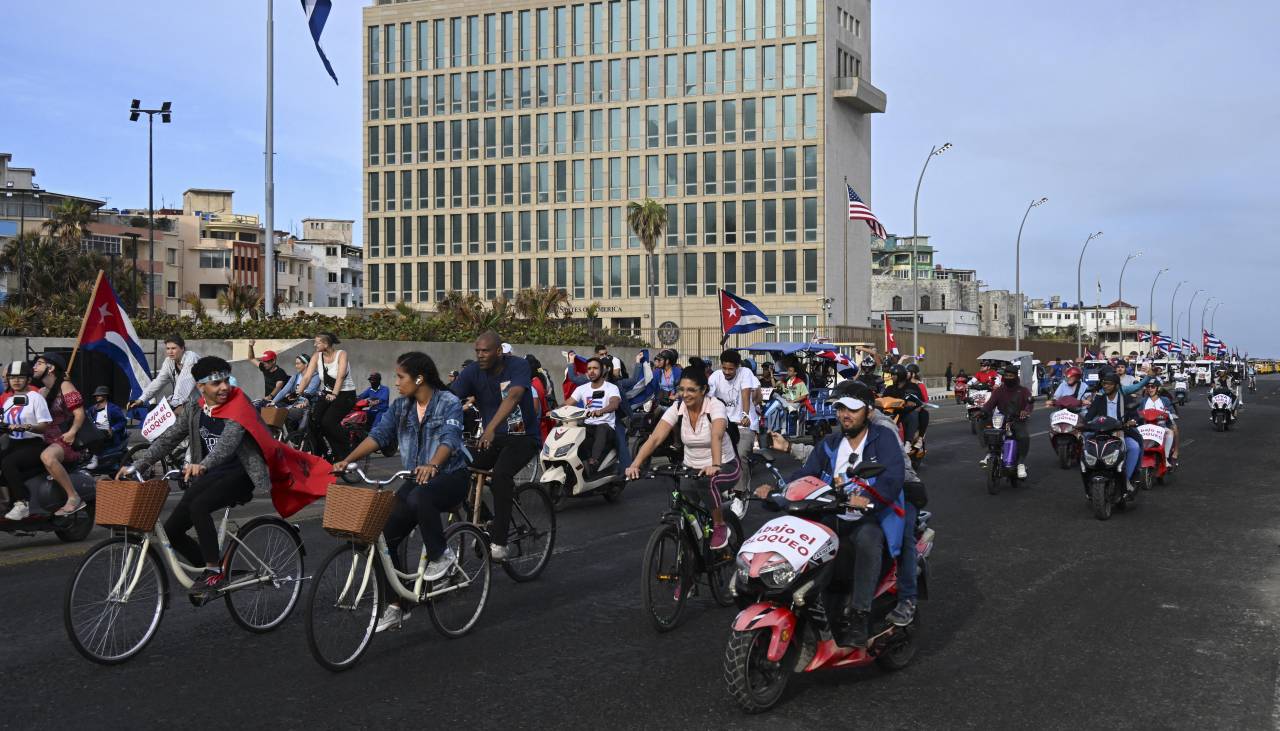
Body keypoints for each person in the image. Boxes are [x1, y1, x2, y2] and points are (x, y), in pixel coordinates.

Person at [757, 380, 906, 647]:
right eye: (839, 408)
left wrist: (867, 499)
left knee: (868, 539)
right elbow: (805, 475)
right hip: (832, 514)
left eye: (852, 409)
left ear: (868, 411)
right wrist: (778, 493)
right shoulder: (830, 443)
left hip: (868, 517)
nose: (844, 415)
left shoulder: (882, 439)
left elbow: (893, 478)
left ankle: (860, 615)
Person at [334, 352, 469, 632]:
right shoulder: (400, 407)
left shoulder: (449, 403)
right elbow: (379, 435)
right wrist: (349, 459)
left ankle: (442, 555)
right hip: (415, 477)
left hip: (450, 477)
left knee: (421, 497)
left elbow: (450, 439)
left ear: (419, 378)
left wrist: (433, 464)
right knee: (381, 535)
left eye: (400, 377)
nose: (395, 382)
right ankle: (397, 604)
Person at [120, 357, 269, 593]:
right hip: (211, 474)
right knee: (171, 532)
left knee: (199, 506)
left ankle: (213, 571)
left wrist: (203, 464)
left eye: (225, 381)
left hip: (240, 474)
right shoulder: (194, 408)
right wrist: (139, 463)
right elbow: (170, 438)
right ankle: (214, 569)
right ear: (201, 387)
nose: (224, 388)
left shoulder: (240, 405)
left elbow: (227, 444)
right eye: (216, 383)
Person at [449, 331, 541, 561]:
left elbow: (514, 396)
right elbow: (450, 397)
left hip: (523, 437)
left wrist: (490, 428)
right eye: (477, 351)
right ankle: (487, 521)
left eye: (485, 351)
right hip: (494, 438)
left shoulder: (518, 366)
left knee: (501, 475)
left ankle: (500, 541)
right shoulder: (473, 372)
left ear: (499, 351)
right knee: (456, 468)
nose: (480, 355)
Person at [626, 367, 740, 550]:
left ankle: (720, 526)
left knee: (707, 483)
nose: (685, 395)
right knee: (681, 504)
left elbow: (717, 435)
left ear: (703, 390)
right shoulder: (678, 407)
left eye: (691, 390)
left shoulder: (715, 405)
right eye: (681, 389)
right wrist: (635, 464)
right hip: (691, 467)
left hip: (725, 465)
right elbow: (655, 438)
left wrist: (715, 465)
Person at [32, 353, 87, 515]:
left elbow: (79, 413)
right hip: (44, 438)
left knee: (47, 457)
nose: (35, 366)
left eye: (39, 363)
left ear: (51, 368)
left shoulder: (65, 386)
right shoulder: (41, 391)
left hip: (64, 438)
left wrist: (72, 432)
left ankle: (73, 497)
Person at [1, 362, 53, 521]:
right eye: (12, 377)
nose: (16, 381)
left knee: (8, 463)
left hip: (34, 444)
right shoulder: (10, 400)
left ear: (28, 379)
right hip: (13, 444)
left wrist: (26, 427)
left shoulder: (35, 398)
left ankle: (22, 504)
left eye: (20, 377)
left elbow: (44, 426)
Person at [296, 332, 358, 459]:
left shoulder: (341, 354)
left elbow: (340, 376)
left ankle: (346, 446)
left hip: (345, 394)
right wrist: (296, 393)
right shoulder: (317, 356)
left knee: (328, 422)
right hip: (328, 393)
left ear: (326, 344)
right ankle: (322, 453)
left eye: (317, 342)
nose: (314, 344)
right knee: (314, 422)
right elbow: (307, 376)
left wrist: (334, 394)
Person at [708, 349, 761, 496]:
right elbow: (708, 397)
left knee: (741, 454)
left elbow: (745, 394)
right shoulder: (715, 377)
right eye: (724, 368)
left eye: (731, 369)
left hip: (744, 424)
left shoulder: (745, 373)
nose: (727, 372)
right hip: (724, 424)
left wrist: (745, 414)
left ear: (737, 367)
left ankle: (740, 494)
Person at [1084, 371, 1141, 492]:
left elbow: (1135, 416)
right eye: (1104, 383)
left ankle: (1127, 480)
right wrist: (1083, 423)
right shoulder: (1099, 399)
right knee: (1086, 444)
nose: (1106, 386)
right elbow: (1089, 416)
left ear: (1116, 385)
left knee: (1135, 447)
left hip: (1122, 431)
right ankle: (1089, 476)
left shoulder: (1125, 398)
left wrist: (1131, 422)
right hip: (1102, 433)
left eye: (1109, 384)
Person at [570, 357, 622, 476]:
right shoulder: (582, 388)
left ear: (603, 370)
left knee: (602, 428)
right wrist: (554, 411)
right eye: (589, 369)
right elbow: (568, 402)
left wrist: (602, 411)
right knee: (574, 430)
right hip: (588, 426)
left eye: (595, 368)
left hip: (607, 428)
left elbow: (614, 403)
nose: (591, 371)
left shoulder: (611, 388)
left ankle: (594, 462)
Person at [979, 364, 1034, 477]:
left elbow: (1029, 404)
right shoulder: (999, 391)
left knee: (1023, 437)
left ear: (1016, 377)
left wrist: (1025, 411)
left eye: (1011, 375)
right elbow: (990, 404)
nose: (1009, 378)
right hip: (1001, 419)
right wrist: (983, 412)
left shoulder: (1023, 391)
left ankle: (1021, 464)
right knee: (983, 425)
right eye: (1007, 375)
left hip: (1017, 419)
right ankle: (990, 453)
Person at [129, 335, 199, 412]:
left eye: (173, 348)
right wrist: (141, 400)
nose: (170, 352)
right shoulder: (169, 361)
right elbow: (158, 382)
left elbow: (184, 384)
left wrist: (172, 404)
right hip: (184, 403)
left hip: (200, 403)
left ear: (182, 348)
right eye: (168, 348)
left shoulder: (191, 358)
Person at [1137, 379, 1178, 466]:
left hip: (1161, 426)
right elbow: (1137, 413)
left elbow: (1172, 411)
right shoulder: (1143, 401)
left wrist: (1171, 414)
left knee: (1170, 432)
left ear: (1157, 388)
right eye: (1148, 387)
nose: (1150, 389)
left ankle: (1166, 458)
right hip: (1146, 427)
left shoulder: (1165, 400)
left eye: (1153, 387)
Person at [764, 358, 809, 435]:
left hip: (794, 403)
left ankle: (775, 429)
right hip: (784, 402)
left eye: (790, 371)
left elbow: (805, 396)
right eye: (788, 370)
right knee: (776, 404)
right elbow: (774, 386)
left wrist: (793, 401)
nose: (788, 372)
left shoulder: (800, 382)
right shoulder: (784, 381)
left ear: (795, 373)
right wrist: (771, 373)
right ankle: (773, 429)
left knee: (778, 401)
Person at [882, 365, 924, 446]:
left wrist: (911, 403)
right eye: (891, 374)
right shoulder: (889, 388)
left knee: (913, 415)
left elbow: (919, 400)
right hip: (891, 413)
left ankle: (908, 442)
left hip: (904, 414)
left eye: (894, 375)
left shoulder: (912, 386)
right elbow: (883, 399)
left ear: (900, 375)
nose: (892, 377)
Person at [88, 386, 128, 455]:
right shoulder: (92, 409)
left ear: (105, 395)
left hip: (109, 436)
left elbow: (123, 421)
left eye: (99, 395)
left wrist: (113, 429)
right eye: (96, 395)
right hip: (95, 434)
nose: (96, 396)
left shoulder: (113, 409)